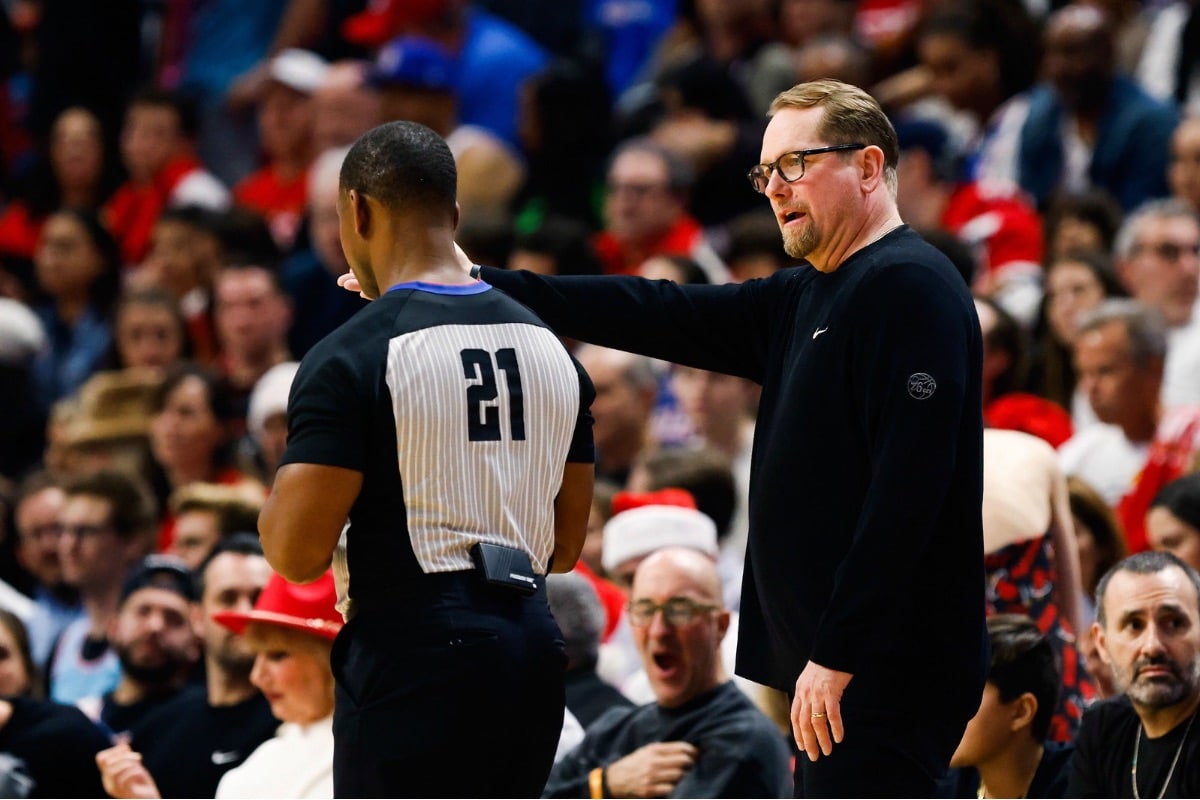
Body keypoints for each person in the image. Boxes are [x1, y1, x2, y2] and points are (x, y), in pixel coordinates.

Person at [459, 79, 988, 796]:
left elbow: (910, 487)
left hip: (880, 666)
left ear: (867, 168)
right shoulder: (806, 292)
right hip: (838, 669)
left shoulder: (910, 286)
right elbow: (657, 309)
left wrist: (839, 653)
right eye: (765, 171)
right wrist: (480, 288)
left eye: (795, 165)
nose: (774, 188)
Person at [258, 120, 596, 798]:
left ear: (357, 210)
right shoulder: (552, 346)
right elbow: (563, 548)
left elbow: (294, 553)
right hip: (531, 645)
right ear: (455, 215)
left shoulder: (353, 354)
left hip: (413, 652)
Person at [542, 546, 793, 798]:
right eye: (645, 610)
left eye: (679, 610)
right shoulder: (614, 729)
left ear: (720, 625)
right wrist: (602, 785)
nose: (659, 630)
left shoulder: (746, 740)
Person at [99, 569, 341, 799]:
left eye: (277, 655)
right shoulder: (267, 756)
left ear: (330, 658)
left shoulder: (358, 757)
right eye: (257, 655)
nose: (257, 676)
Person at [95, 533, 278, 798]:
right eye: (228, 598)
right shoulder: (157, 731)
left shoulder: (293, 723)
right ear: (197, 618)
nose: (245, 612)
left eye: (259, 598)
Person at [1067, 551, 1200, 796]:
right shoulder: (1103, 726)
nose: (1152, 645)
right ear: (1102, 643)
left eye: (1174, 623)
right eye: (1133, 625)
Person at [938, 614, 1075, 800]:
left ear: (1022, 712)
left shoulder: (1080, 783)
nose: (948, 707)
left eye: (968, 691)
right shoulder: (944, 787)